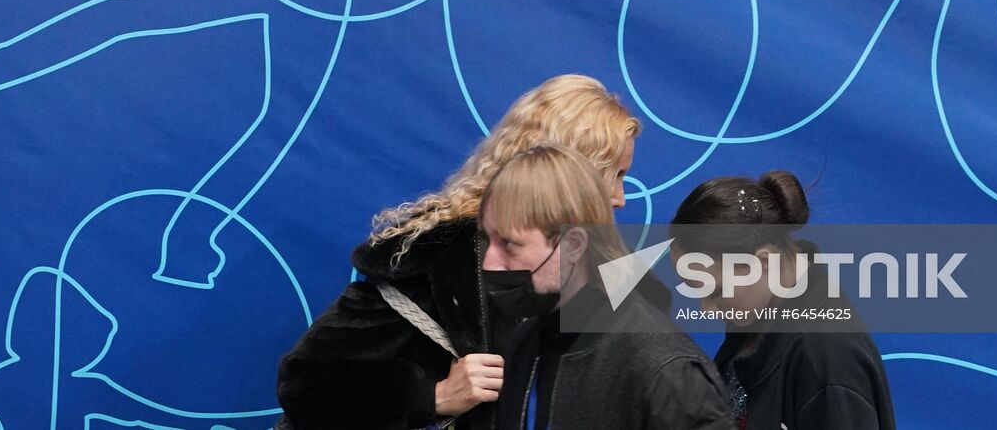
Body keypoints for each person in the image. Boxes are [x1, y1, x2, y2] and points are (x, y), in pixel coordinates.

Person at [276, 74, 640, 429]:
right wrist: (431, 396)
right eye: (615, 176)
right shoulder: (439, 258)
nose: (620, 200)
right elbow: (307, 383)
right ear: (571, 174)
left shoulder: (600, 277)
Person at [484, 145, 734, 430]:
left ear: (573, 245)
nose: (489, 264)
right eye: (486, 240)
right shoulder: (526, 342)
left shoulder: (667, 369)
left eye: (509, 243)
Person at [670, 172, 896, 430]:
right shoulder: (759, 316)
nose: (706, 309)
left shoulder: (828, 360)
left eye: (715, 291)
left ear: (764, 262)